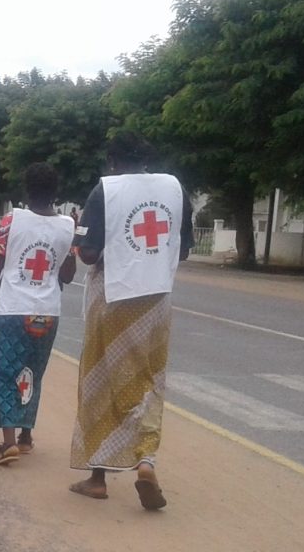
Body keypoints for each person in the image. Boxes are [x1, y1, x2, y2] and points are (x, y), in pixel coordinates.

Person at [68, 132, 193, 510]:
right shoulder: (174, 189)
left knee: (102, 379)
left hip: (113, 297)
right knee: (149, 380)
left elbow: (88, 254)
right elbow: (183, 250)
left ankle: (98, 478)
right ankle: (145, 461)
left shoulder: (105, 190)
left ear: (112, 160)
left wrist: (79, 237)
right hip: (156, 300)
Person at [0, 163, 76, 465]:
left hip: (12, 311)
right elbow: (68, 276)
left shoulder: (10, 221)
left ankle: (8, 444)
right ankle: (26, 435)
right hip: (48, 313)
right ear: (55, 192)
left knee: (5, 374)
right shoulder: (68, 226)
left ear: (26, 190)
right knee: (33, 371)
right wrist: (70, 250)